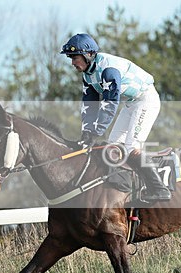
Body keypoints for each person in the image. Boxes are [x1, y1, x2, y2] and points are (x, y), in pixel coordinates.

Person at [60, 33, 171, 202]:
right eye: (71, 58)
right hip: (131, 103)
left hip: (146, 100)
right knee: (113, 147)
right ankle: (125, 189)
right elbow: (89, 106)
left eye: (75, 58)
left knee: (131, 147)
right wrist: (87, 132)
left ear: (88, 55)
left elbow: (109, 104)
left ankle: (159, 189)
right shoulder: (87, 75)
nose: (73, 63)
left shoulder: (108, 70)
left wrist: (96, 132)